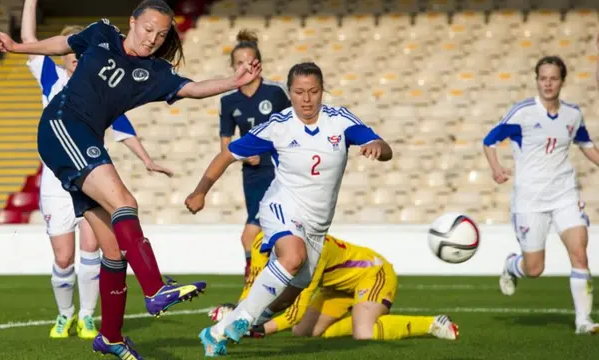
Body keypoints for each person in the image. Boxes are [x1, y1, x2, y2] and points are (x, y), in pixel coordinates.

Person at [0, 0, 262, 357]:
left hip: (84, 138)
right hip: (61, 125)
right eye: (148, 29)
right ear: (132, 22)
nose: (152, 39)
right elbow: (63, 44)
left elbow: (192, 88)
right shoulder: (102, 33)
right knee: (126, 203)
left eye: (161, 34)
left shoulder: (154, 72)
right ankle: (153, 288)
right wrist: (19, 47)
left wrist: (233, 81)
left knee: (113, 249)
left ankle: (111, 337)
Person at [185, 62, 393, 356]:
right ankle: (243, 319)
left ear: (323, 91)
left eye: (313, 91)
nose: (306, 99)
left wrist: (377, 147)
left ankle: (217, 332)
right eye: (299, 92)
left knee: (283, 300)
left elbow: (382, 145)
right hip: (281, 206)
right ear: (289, 93)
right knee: (292, 256)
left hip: (317, 226)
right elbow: (227, 155)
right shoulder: (277, 126)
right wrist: (200, 191)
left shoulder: (340, 120)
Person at [21, 0, 173, 340]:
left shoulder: (104, 83)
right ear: (64, 56)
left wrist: (146, 159)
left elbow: (122, 126)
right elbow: (29, 40)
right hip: (57, 174)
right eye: (71, 51)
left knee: (97, 248)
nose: (76, 56)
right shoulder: (52, 76)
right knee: (64, 257)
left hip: (89, 170)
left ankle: (90, 318)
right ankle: (65, 315)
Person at [483, 55, 599, 335]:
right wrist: (497, 168)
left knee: (580, 254)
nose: (548, 84)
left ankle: (583, 321)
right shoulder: (523, 112)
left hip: (565, 194)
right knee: (534, 269)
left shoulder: (573, 114)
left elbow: (586, 144)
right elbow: (489, 141)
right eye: (543, 78)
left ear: (562, 81)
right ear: (537, 80)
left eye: (553, 78)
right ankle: (513, 266)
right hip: (530, 200)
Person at [211, 232, 459, 342]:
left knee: (365, 333)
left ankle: (432, 323)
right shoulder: (258, 244)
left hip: (373, 273)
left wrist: (257, 329)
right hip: (337, 287)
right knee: (303, 332)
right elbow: (253, 286)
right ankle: (358, 317)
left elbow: (294, 311)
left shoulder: (309, 251)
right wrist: (240, 316)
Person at [219, 29, 291, 286]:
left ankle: (255, 288)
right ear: (232, 66)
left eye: (250, 62)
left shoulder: (275, 92)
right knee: (262, 237)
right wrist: (241, 157)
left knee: (251, 236)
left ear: (258, 64)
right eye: (239, 63)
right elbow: (225, 144)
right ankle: (273, 285)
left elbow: (294, 127)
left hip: (277, 172)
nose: (245, 67)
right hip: (251, 175)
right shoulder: (228, 100)